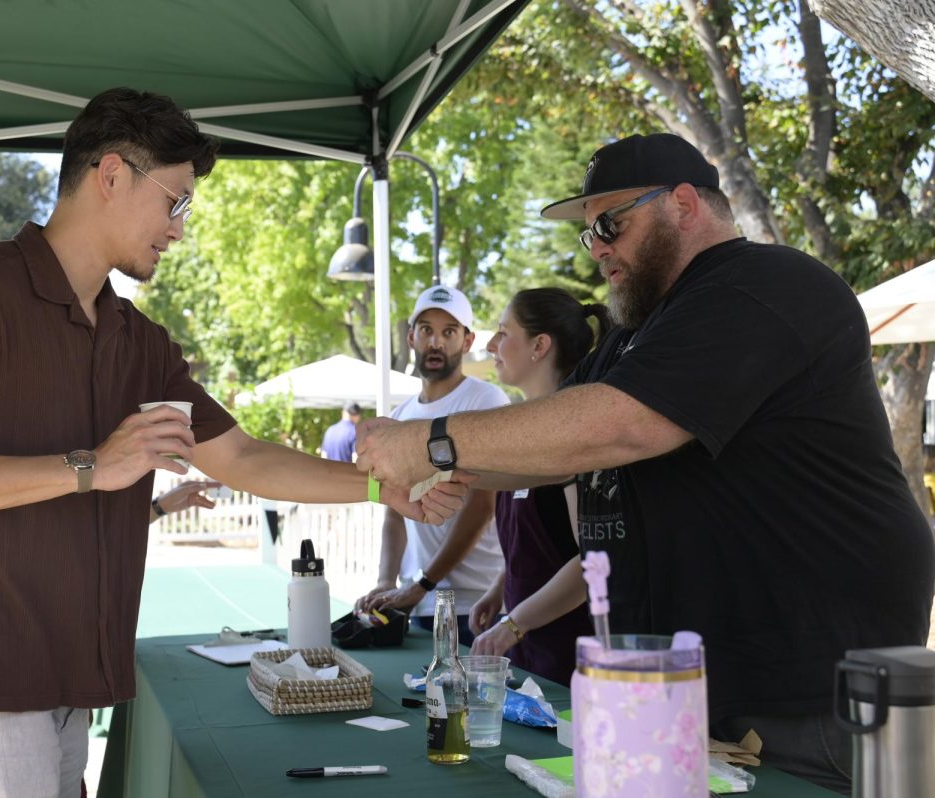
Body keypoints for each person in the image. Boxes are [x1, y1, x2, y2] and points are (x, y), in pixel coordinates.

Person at [0, 88, 465, 798]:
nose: (180, 229)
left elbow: (241, 457)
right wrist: (90, 466)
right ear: (111, 176)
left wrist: (374, 488)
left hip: (62, 678)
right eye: (175, 202)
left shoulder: (136, 341)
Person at [354, 133, 935, 794]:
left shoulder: (765, 288)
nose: (597, 245)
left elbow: (618, 427)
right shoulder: (639, 335)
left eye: (610, 223)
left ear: (684, 204)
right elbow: (548, 451)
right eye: (588, 232)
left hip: (806, 692)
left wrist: (431, 442)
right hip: (687, 690)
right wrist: (414, 474)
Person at [468, 288, 609, 684]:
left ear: (540, 346)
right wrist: (501, 587)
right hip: (527, 653)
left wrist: (514, 623)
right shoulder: (529, 436)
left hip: (569, 663)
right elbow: (539, 541)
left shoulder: (574, 437)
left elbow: (589, 562)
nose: (492, 344)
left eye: (503, 332)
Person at [353, 285, 508, 645]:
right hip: (419, 605)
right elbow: (394, 510)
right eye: (426, 330)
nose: (436, 342)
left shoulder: (486, 401)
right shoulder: (401, 416)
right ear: (411, 337)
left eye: (449, 332)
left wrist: (423, 583)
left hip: (478, 604)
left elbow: (482, 507)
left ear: (467, 341)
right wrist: (385, 582)